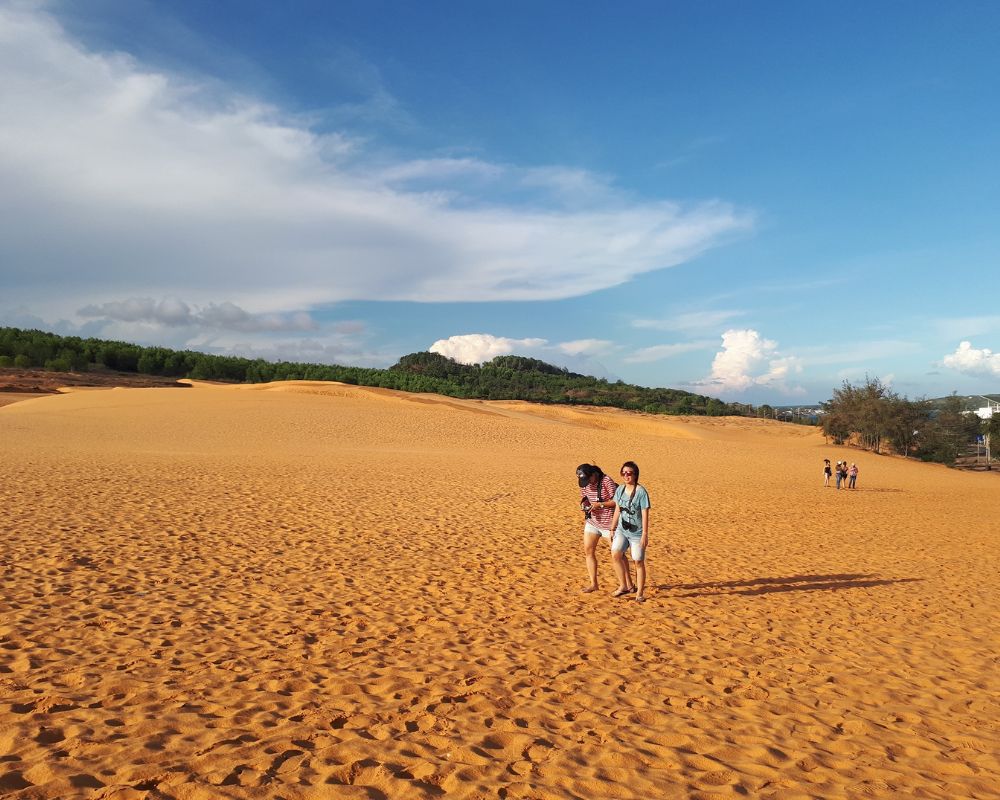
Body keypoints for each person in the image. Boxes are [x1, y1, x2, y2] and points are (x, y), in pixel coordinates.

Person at [577, 464, 633, 594]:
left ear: (594, 474)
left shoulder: (606, 481)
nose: (586, 483)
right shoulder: (584, 483)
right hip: (593, 522)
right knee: (588, 551)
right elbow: (585, 498)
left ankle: (628, 584)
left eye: (588, 479)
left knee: (618, 555)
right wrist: (585, 505)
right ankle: (593, 584)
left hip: (610, 525)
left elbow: (617, 501)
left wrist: (600, 505)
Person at [609, 461, 650, 603]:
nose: (626, 476)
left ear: (635, 475)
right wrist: (612, 528)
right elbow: (617, 509)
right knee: (616, 554)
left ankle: (639, 592)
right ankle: (624, 586)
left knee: (638, 561)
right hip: (622, 529)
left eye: (629, 473)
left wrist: (645, 533)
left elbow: (645, 513)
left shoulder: (641, 492)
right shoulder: (619, 489)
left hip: (637, 533)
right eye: (623, 473)